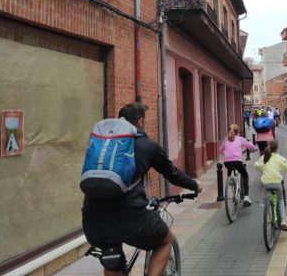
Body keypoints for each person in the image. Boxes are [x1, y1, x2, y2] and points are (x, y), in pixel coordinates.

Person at [82, 103, 202, 276]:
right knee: (164, 241)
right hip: (130, 219)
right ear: (140, 122)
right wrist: (194, 185)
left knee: (112, 256)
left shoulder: (104, 145)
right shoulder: (147, 146)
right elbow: (173, 174)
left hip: (92, 221)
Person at [254, 139, 287, 231]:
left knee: (267, 198)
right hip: (277, 184)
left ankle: (268, 213)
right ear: (277, 148)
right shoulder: (279, 158)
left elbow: (256, 166)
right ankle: (283, 221)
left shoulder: (263, 158)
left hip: (266, 185)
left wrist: (261, 168)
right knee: (280, 200)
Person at [219, 124, 257, 206]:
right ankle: (246, 196)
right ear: (238, 132)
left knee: (230, 170)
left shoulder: (225, 140)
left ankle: (230, 181)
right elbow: (250, 146)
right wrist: (255, 148)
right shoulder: (240, 139)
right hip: (237, 161)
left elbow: (221, 150)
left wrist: (226, 153)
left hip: (227, 163)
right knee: (245, 175)